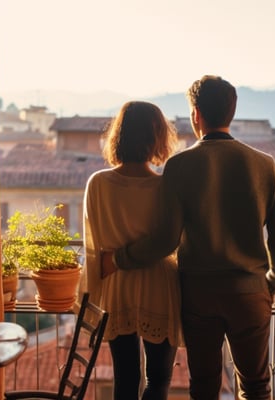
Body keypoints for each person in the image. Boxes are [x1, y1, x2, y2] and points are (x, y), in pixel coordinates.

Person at [111, 75, 275, 400]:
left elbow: (166, 240)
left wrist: (121, 257)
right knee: (255, 386)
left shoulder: (179, 166)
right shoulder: (265, 165)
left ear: (195, 114)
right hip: (250, 293)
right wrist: (270, 284)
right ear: (232, 112)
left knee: (205, 387)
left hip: (198, 296)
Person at [79, 101, 183, 400]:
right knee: (158, 380)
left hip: (116, 284)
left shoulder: (97, 183)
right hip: (160, 287)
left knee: (125, 377)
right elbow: (173, 240)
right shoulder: (166, 187)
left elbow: (92, 246)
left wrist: (93, 291)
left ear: (118, 135)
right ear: (157, 138)